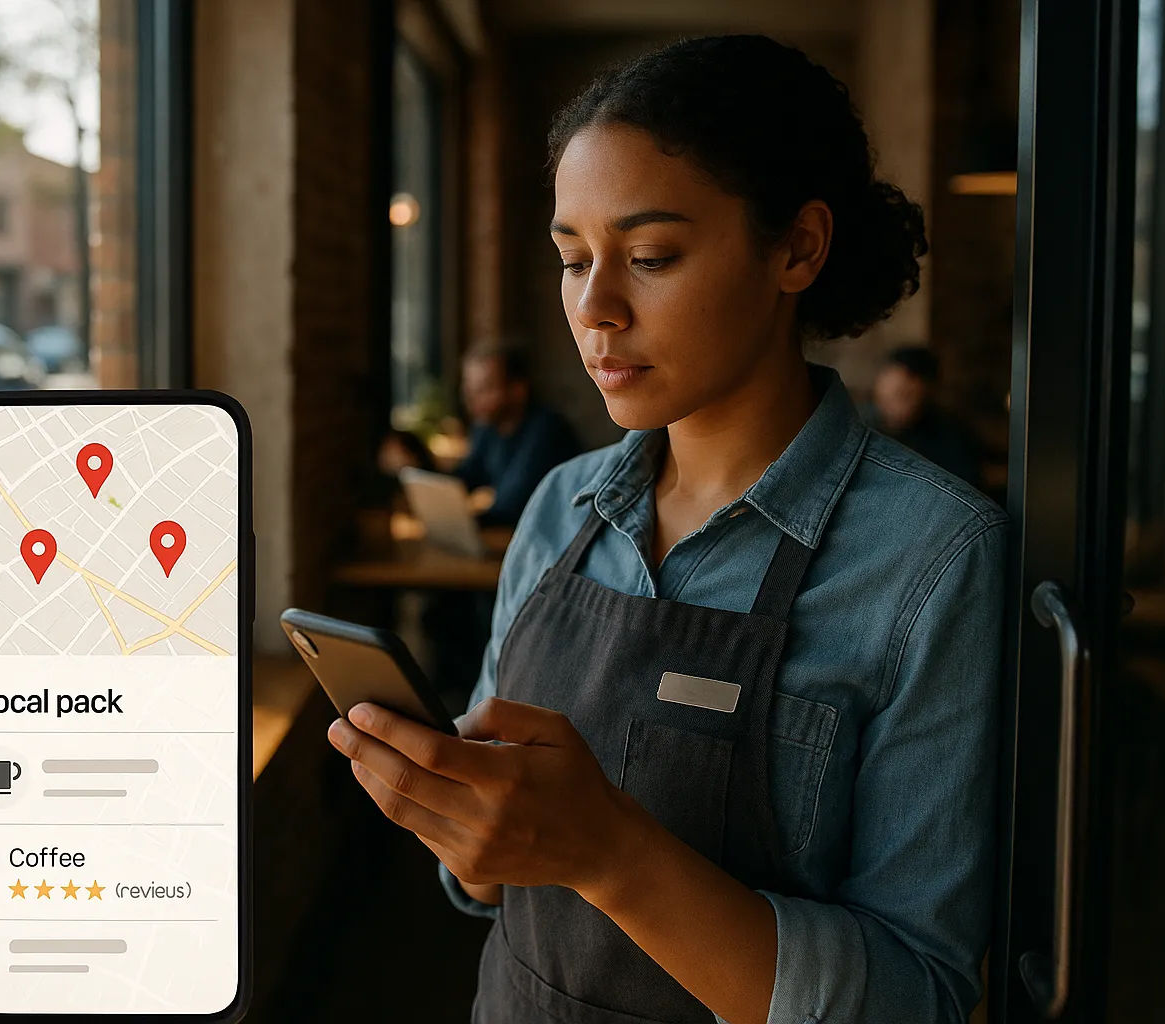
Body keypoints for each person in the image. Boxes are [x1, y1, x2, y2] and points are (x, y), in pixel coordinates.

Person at [325, 35, 1003, 1024]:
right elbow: (485, 886)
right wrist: (467, 833)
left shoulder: (935, 560)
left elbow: (921, 996)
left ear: (797, 249)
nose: (595, 307)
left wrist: (609, 852)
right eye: (571, 259)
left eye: (650, 257)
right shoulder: (563, 507)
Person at [454, 341, 580, 527]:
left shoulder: (546, 431)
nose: (472, 399)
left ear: (518, 390)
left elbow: (510, 509)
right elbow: (466, 477)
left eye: (484, 389)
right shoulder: (487, 426)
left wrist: (460, 523)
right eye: (469, 389)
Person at [864, 345, 983, 488]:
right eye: (889, 396)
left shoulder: (951, 437)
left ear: (927, 391)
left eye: (906, 396)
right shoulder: (861, 427)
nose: (895, 406)